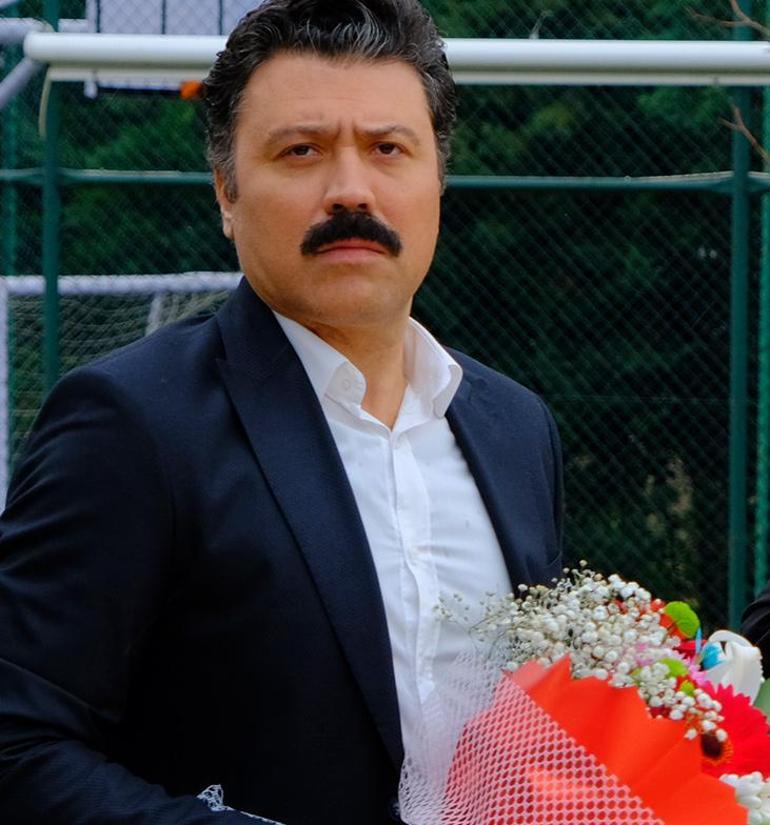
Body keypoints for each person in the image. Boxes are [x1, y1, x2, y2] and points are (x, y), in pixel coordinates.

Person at [0, 1, 563, 823]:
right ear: (226, 193)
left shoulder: (516, 429)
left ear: (437, 181)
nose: (350, 190)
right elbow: (19, 746)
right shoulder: (131, 424)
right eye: (301, 151)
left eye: (388, 149)